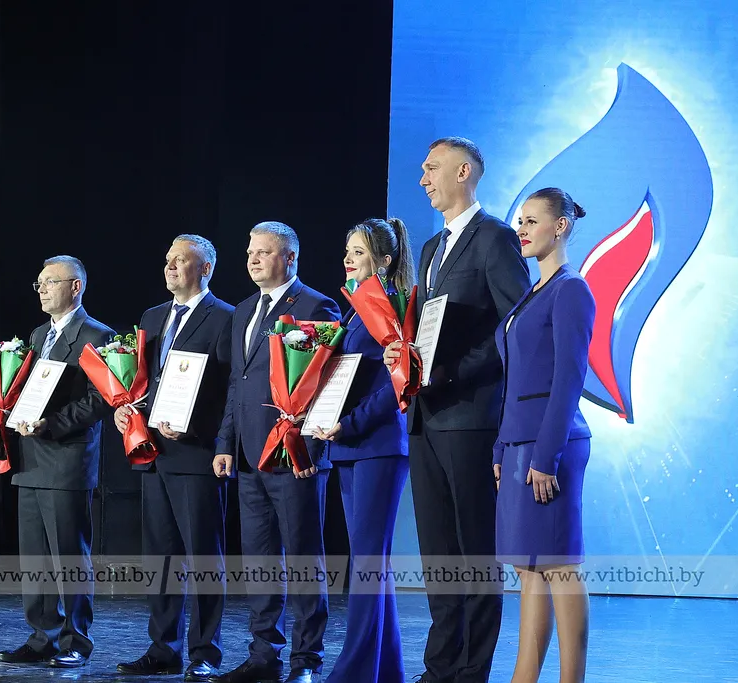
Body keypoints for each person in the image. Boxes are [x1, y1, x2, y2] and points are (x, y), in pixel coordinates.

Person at [384, 137, 530, 683]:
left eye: (432, 168)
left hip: (470, 417)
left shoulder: (494, 238)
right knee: (438, 552)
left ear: (464, 172)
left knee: (474, 552)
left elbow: (514, 326)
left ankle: (471, 672)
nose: (423, 179)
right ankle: (439, 668)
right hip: (425, 418)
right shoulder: (429, 248)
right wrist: (404, 357)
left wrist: (454, 371)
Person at [212, 222, 340, 683]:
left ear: (290, 258)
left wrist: (309, 448)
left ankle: (306, 660)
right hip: (249, 456)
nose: (253, 259)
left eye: (264, 252)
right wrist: (225, 442)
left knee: (303, 558)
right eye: (250, 252)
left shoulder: (315, 306)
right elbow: (238, 383)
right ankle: (264, 656)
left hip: (293, 456)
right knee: (260, 560)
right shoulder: (244, 309)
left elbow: (326, 382)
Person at [112, 235, 234, 682]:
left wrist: (202, 430)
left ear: (205, 269)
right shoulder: (152, 316)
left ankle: (205, 651)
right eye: (168, 259)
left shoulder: (225, 317)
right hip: (154, 452)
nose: (170, 266)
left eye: (181, 260)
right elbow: (142, 380)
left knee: (203, 557)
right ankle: (164, 648)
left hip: (197, 452)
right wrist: (126, 408)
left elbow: (230, 391)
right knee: (161, 557)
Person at [493, 188, 594, 683]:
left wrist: (545, 456)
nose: (522, 230)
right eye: (520, 221)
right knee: (529, 566)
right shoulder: (533, 292)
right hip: (519, 442)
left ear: (561, 226)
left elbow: (568, 379)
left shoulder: (571, 289)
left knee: (557, 565)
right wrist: (501, 446)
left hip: (550, 445)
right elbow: (514, 378)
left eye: (532, 221)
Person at [0, 255, 115, 669]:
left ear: (75, 287)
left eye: (50, 282)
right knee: (35, 558)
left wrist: (53, 423)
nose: (42, 289)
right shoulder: (38, 334)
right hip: (30, 458)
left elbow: (100, 399)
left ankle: (76, 640)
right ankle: (41, 637)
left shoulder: (96, 335)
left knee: (69, 556)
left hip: (66, 457)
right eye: (39, 283)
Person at [312, 218, 414, 683]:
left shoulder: (387, 307)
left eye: (359, 251)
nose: (348, 259)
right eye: (347, 251)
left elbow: (396, 384)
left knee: (368, 564)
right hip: (351, 447)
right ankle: (386, 671)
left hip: (377, 445)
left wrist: (349, 423)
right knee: (373, 563)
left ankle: (352, 672)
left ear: (385, 260)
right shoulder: (356, 309)